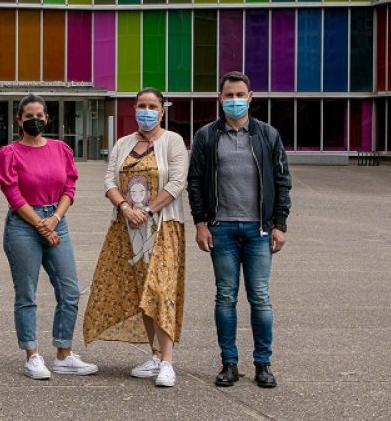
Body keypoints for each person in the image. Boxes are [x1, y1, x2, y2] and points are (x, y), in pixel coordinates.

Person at [188, 71, 292, 389]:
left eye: (239, 95)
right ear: (220, 98)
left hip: (259, 231)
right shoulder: (207, 136)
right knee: (225, 297)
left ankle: (263, 364)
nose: (234, 100)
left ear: (250, 97)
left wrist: (279, 224)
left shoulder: (267, 135)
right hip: (222, 230)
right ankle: (229, 364)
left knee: (259, 297)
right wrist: (201, 223)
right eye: (228, 95)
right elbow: (195, 183)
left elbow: (282, 181)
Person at [84, 87, 189, 388]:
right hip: (127, 227)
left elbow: (177, 181)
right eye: (141, 105)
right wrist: (126, 208)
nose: (146, 111)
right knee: (142, 290)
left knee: (161, 289)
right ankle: (154, 355)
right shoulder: (123, 143)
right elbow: (108, 179)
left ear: (162, 111)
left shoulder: (173, 142)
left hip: (162, 226)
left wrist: (148, 210)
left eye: (152, 106)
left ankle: (168, 362)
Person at [0, 94, 98, 380]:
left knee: (69, 290)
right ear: (19, 120)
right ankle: (32, 355)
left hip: (56, 219)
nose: (35, 120)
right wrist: (41, 224)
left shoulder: (61, 149)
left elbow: (69, 187)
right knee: (26, 293)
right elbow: (12, 194)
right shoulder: (9, 153)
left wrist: (53, 220)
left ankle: (64, 353)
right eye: (29, 116)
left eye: (40, 116)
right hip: (23, 225)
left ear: (47, 118)